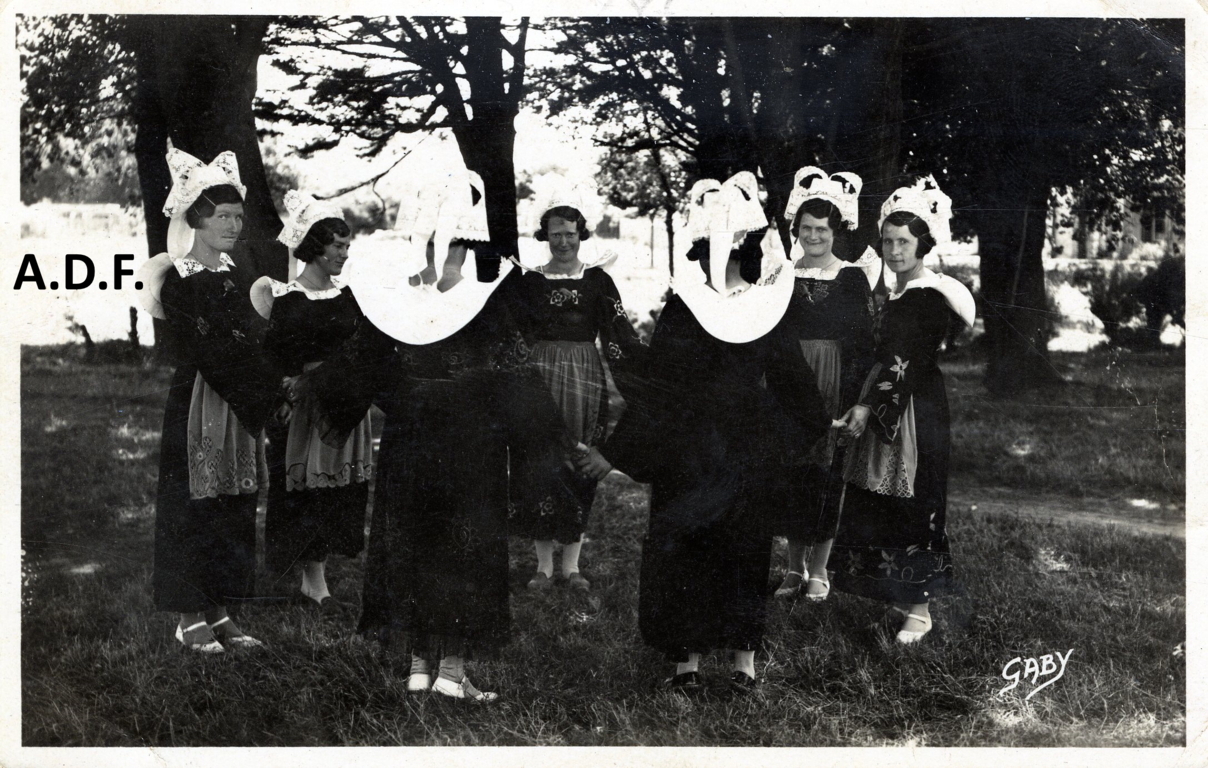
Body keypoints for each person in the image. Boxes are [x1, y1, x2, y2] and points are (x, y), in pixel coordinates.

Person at [319, 169, 576, 701]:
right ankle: (451, 674)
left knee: (413, 544)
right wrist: (548, 440)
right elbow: (517, 379)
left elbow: (358, 370)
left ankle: (419, 667)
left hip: (409, 442)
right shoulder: (483, 302)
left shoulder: (395, 302)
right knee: (463, 551)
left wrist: (403, 400)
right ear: (467, 242)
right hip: (470, 444)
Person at [586, 173, 831, 691]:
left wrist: (616, 450)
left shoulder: (726, 306)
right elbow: (799, 393)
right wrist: (782, 438)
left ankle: (706, 665)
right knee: (722, 549)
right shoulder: (722, 306)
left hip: (709, 448)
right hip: (718, 449)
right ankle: (721, 665)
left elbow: (659, 389)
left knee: (712, 548)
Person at [138, 145, 282, 653]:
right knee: (193, 506)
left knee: (232, 506)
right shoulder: (177, 279)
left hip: (239, 397)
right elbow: (208, 348)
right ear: (196, 219)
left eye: (238, 217)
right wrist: (258, 390)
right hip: (203, 399)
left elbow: (254, 337)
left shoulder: (236, 274)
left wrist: (268, 376)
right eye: (223, 216)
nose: (233, 226)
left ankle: (220, 611)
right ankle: (189, 616)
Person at [831, 175, 976, 645]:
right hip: (888, 400)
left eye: (904, 242)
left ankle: (920, 609)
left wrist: (868, 405)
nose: (894, 250)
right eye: (889, 241)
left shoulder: (928, 297)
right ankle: (899, 598)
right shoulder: (898, 292)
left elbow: (906, 361)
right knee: (885, 504)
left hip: (914, 407)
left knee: (915, 501)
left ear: (922, 245)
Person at [508, 191, 648, 592]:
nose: (563, 242)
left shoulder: (598, 280)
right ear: (545, 235)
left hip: (585, 380)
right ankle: (543, 566)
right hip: (539, 379)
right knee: (538, 460)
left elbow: (619, 337)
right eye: (556, 234)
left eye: (570, 233)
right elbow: (514, 337)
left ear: (581, 234)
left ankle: (571, 565)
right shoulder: (530, 281)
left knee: (580, 460)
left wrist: (645, 373)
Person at [252, 191, 372, 610]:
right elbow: (275, 359)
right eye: (337, 246)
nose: (344, 253)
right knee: (309, 491)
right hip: (308, 409)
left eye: (346, 246)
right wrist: (284, 397)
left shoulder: (348, 295)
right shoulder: (288, 298)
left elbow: (362, 348)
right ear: (315, 246)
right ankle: (313, 583)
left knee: (339, 489)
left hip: (346, 402)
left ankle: (319, 576)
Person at [768, 168, 877, 602]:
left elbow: (864, 343)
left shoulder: (851, 277)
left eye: (822, 230)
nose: (813, 236)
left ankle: (819, 570)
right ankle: (793, 567)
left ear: (836, 232)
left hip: (835, 380)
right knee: (791, 474)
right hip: (789, 381)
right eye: (807, 228)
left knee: (828, 474)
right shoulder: (782, 275)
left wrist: (857, 399)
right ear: (796, 229)